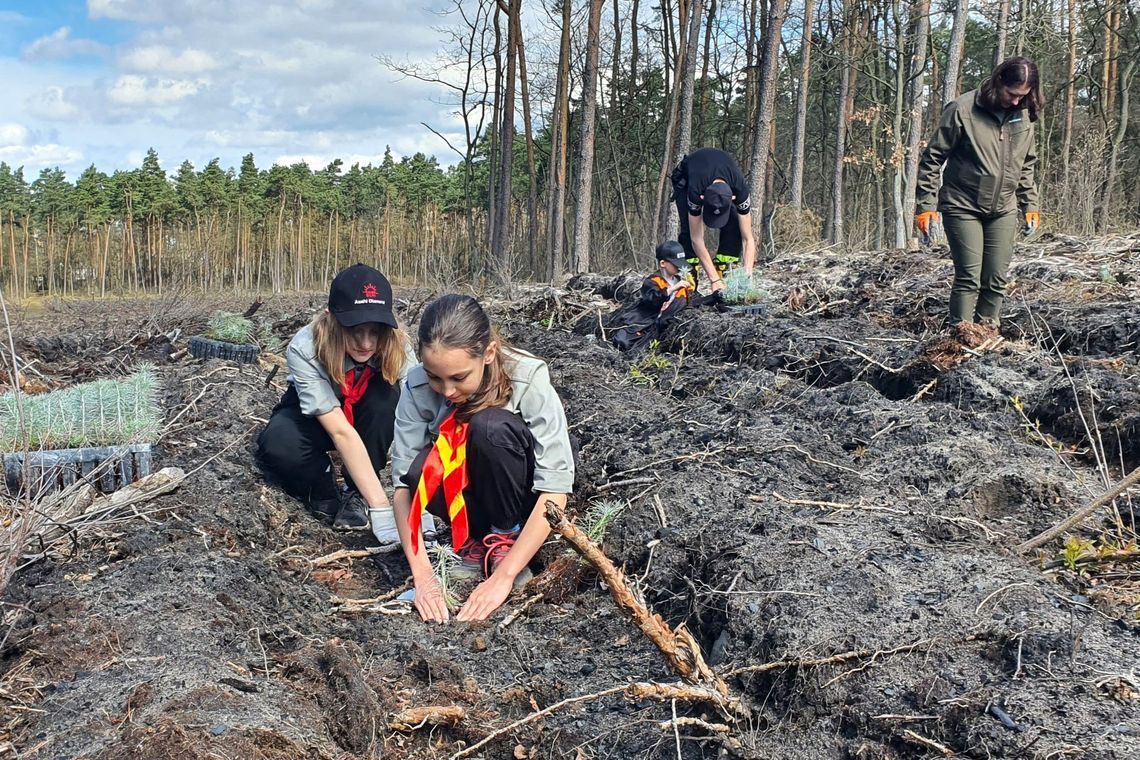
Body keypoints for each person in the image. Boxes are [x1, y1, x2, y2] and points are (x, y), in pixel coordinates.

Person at [390, 294, 575, 624]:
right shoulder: (416, 387)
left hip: (523, 499)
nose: (446, 391)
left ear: (488, 353)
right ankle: (475, 543)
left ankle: (506, 539)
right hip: (467, 500)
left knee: (489, 427)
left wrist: (504, 577)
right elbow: (404, 490)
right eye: (435, 376)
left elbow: (555, 488)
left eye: (459, 378)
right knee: (419, 470)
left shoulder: (527, 377)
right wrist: (423, 576)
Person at [256, 263, 413, 539]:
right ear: (332, 317)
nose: (366, 344)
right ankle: (322, 488)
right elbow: (339, 430)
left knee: (384, 399)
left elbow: (420, 409)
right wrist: (381, 506)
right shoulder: (305, 348)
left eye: (375, 331)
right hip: (319, 416)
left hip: (368, 415)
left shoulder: (397, 345)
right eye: (355, 330)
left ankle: (357, 493)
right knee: (278, 443)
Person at [916, 57, 1042, 328]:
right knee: (969, 277)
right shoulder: (963, 109)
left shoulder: (1024, 114)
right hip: (962, 205)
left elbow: (1026, 163)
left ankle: (986, 334)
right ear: (999, 83)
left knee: (996, 278)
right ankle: (960, 337)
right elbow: (932, 159)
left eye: (1024, 95)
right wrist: (926, 206)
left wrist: (1029, 204)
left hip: (1004, 208)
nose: (1017, 101)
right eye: (1012, 94)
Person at [670, 146, 757, 292]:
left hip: (720, 176)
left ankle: (726, 270)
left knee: (735, 224)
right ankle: (689, 278)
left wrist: (747, 274)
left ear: (733, 198)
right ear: (702, 199)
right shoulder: (695, 192)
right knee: (688, 230)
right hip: (685, 179)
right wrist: (713, 279)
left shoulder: (740, 190)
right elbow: (696, 239)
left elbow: (748, 239)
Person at [610, 240, 695, 351]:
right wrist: (673, 289)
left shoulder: (682, 283)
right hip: (645, 323)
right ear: (663, 263)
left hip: (666, 326)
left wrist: (715, 296)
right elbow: (652, 300)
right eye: (675, 264)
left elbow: (695, 301)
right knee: (622, 342)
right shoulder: (653, 281)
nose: (679, 268)